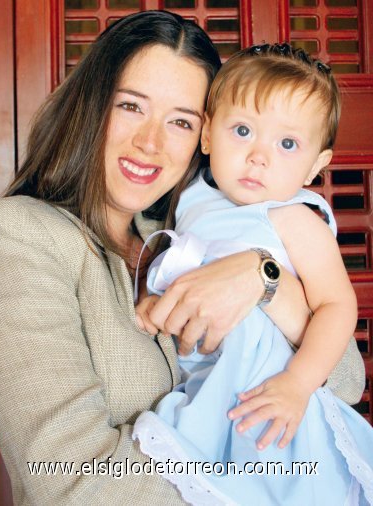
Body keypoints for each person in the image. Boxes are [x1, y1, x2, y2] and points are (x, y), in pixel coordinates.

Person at [0, 11, 364, 505]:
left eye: (180, 120)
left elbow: (347, 379)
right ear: (89, 106)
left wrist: (261, 274)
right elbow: (70, 478)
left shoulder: (183, 230)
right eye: (131, 106)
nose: (151, 142)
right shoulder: (15, 236)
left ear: (200, 135)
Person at [134, 43, 373, 505]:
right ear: (207, 137)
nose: (259, 156)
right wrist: (155, 303)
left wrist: (299, 383)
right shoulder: (190, 202)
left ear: (316, 165)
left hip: (272, 393)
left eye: (287, 144)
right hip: (210, 387)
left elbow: (337, 306)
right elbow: (188, 271)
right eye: (242, 130)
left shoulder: (293, 218)